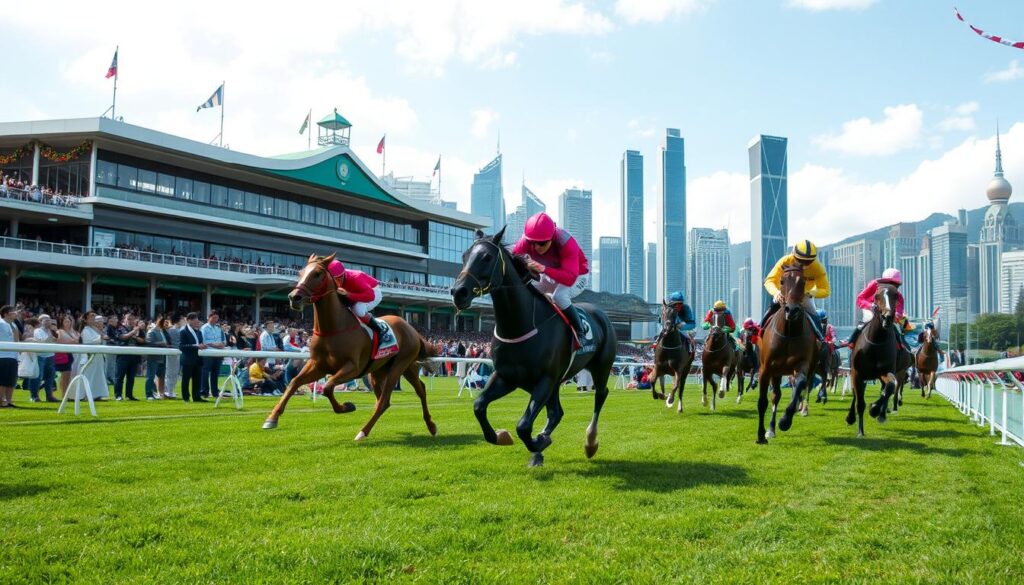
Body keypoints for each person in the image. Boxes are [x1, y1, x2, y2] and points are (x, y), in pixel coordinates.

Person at [510, 212, 590, 341]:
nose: (536, 247)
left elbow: (569, 278)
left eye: (541, 244)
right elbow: (512, 259)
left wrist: (543, 269)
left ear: (552, 238)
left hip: (577, 276)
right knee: (528, 290)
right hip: (551, 274)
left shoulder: (566, 242)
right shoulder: (526, 241)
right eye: (532, 242)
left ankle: (580, 332)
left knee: (559, 296)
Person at [761, 240, 830, 339]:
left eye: (808, 261)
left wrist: (811, 293)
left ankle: (821, 339)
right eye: (801, 260)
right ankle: (760, 332)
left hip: (805, 296)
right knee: (770, 311)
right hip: (783, 294)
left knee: (814, 315)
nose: (804, 264)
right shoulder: (785, 261)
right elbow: (769, 280)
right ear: (793, 255)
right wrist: (776, 293)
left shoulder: (818, 268)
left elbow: (826, 290)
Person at [327, 259, 391, 342]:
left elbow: (370, 296)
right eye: (334, 279)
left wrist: (348, 294)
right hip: (354, 292)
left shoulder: (356, 277)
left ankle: (380, 330)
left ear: (344, 274)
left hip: (374, 293)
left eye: (339, 278)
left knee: (358, 309)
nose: (337, 282)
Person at [842, 267, 905, 349]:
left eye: (894, 285)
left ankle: (903, 348)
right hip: (871, 309)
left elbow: (899, 311)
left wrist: (896, 315)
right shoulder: (874, 284)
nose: (891, 287)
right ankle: (851, 341)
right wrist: (871, 306)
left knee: (897, 328)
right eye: (889, 283)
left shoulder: (898, 295)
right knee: (868, 319)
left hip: (887, 312)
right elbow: (860, 298)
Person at [113, 314, 146, 401]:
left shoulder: (138, 329)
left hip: (134, 356)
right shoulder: (120, 328)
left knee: (131, 377)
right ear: (125, 320)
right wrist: (133, 332)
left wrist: (134, 335)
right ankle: (118, 395)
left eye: (132, 319)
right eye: (129, 319)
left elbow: (143, 340)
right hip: (123, 356)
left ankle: (129, 395)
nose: (131, 321)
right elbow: (122, 337)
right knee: (119, 377)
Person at [78, 312, 110, 400]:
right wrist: (101, 337)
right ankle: (87, 394)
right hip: (90, 355)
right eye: (91, 318)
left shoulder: (95, 329)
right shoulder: (85, 330)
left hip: (98, 355)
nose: (93, 320)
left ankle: (97, 394)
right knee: (90, 374)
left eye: (94, 318)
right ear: (86, 320)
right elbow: (88, 341)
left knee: (98, 375)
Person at [29, 314, 59, 402]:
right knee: (37, 377)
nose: (48, 321)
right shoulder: (38, 331)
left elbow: (57, 341)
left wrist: (55, 333)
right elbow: (43, 342)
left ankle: (49, 396)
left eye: (49, 320)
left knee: (50, 377)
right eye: (46, 320)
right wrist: (51, 334)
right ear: (40, 322)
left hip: (50, 356)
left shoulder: (52, 330)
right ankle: (34, 396)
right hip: (40, 356)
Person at [179, 312, 207, 402]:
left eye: (197, 320)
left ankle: (196, 397)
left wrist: (202, 346)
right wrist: (196, 346)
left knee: (197, 379)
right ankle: (186, 397)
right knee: (186, 379)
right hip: (188, 359)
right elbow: (181, 346)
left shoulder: (199, 332)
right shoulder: (183, 331)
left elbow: (200, 344)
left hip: (198, 359)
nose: (196, 322)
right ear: (189, 320)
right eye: (194, 320)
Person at [200, 311, 226, 398]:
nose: (215, 320)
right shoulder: (204, 328)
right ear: (209, 317)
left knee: (215, 373)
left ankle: (215, 392)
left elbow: (223, 342)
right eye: (214, 317)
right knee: (205, 372)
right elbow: (204, 341)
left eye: (217, 318)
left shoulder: (219, 329)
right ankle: (204, 391)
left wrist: (218, 345)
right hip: (208, 353)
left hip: (218, 353)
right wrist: (216, 345)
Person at [54, 315, 80, 399]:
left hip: (74, 354)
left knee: (69, 375)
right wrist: (71, 342)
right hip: (65, 354)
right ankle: (63, 394)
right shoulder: (60, 331)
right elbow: (58, 341)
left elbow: (79, 342)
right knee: (64, 375)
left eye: (69, 321)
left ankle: (69, 394)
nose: (67, 323)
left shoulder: (75, 332)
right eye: (65, 321)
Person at [144, 317, 170, 400]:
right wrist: (161, 343)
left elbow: (166, 342)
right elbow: (148, 342)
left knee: (161, 376)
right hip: (153, 358)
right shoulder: (152, 331)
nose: (167, 325)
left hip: (162, 357)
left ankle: (161, 394)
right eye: (165, 323)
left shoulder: (162, 331)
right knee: (150, 377)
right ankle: (149, 394)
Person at [0, 305, 19, 408]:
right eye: (13, 311)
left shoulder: (14, 325)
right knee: (2, 380)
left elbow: (16, 341)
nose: (16, 313)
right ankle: (1, 401)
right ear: (6, 314)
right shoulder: (0, 323)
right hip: (2, 355)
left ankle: (8, 401)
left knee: (11, 380)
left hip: (13, 356)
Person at [164, 316, 182, 398]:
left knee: (173, 373)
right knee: (172, 373)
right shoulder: (174, 330)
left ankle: (169, 390)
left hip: (176, 353)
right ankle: (169, 391)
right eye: (182, 320)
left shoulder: (175, 330)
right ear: (178, 322)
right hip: (173, 353)